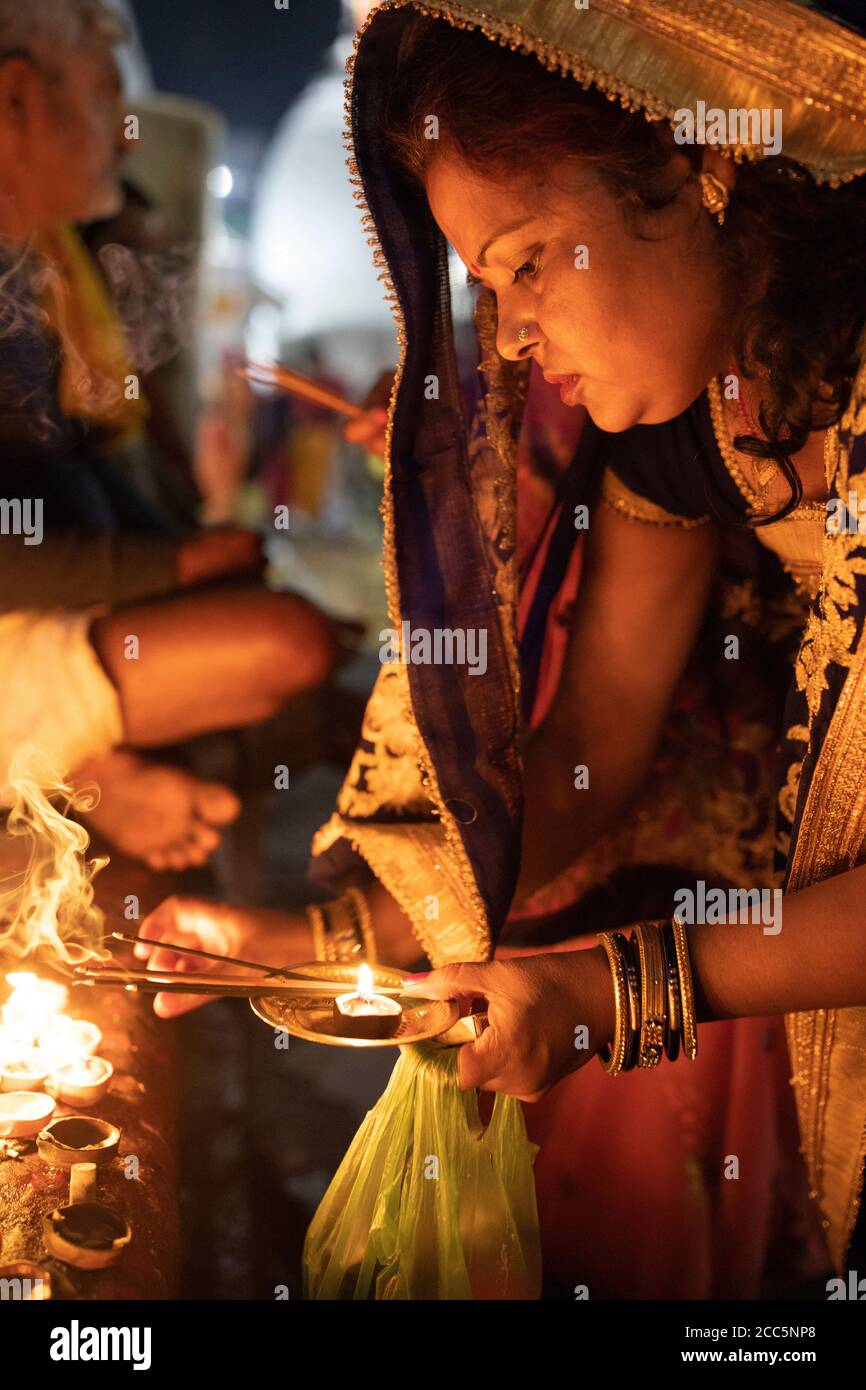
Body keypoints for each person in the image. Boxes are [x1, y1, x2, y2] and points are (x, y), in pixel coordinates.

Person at [136, 0, 866, 1297]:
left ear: (696, 164)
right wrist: (331, 937)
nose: (513, 337)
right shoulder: (684, 430)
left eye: (528, 260)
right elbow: (589, 744)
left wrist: (604, 990)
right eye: (484, 286)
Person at [0, 0, 340, 869]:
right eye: (106, 95)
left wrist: (191, 551)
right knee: (282, 641)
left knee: (287, 626)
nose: (124, 138)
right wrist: (173, 567)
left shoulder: (49, 274)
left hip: (56, 601)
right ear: (14, 104)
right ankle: (87, 769)